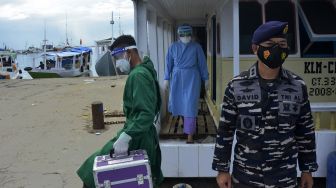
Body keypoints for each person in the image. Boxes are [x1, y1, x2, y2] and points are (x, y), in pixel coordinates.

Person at [212, 21, 318, 188]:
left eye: (282, 44)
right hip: (246, 177)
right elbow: (225, 130)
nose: (277, 49)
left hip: (284, 177)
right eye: (270, 44)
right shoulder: (237, 86)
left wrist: (307, 169)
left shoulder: (297, 86)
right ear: (255, 49)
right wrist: (222, 169)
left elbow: (305, 131)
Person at [77, 35, 163, 188]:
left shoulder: (138, 76)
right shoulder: (145, 70)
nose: (117, 63)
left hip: (138, 136)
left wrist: (127, 136)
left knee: (91, 172)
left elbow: (146, 114)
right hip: (140, 133)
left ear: (129, 53)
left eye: (118, 57)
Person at [164, 24, 209, 143]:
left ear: (191, 35)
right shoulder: (173, 47)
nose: (185, 36)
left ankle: (190, 135)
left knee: (190, 104)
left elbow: (202, 63)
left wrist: (206, 78)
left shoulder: (196, 47)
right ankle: (188, 127)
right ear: (179, 35)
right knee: (180, 103)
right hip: (177, 77)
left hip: (192, 78)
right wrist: (166, 77)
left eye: (188, 34)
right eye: (183, 34)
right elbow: (168, 63)